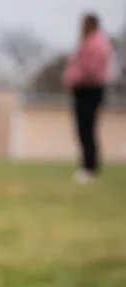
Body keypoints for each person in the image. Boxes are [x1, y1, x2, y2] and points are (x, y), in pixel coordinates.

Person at [62, 13, 113, 183]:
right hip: (85, 88)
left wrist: (76, 76)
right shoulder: (89, 42)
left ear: (91, 24)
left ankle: (89, 167)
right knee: (84, 129)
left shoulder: (96, 44)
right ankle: (87, 165)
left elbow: (90, 69)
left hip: (89, 89)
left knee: (87, 128)